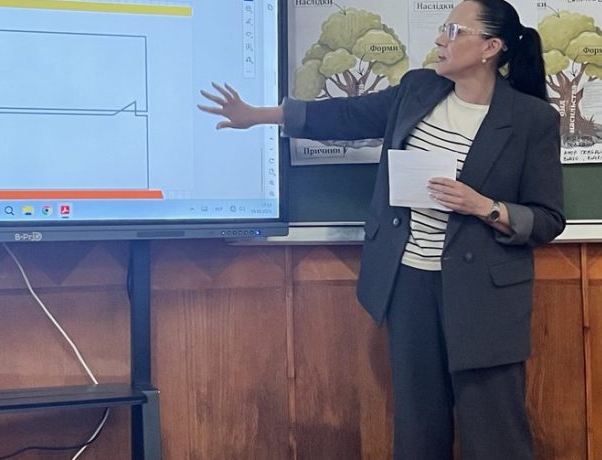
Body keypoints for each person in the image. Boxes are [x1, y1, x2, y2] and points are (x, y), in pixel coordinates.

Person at [199, 0, 564, 458]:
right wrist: (259, 115)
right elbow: (347, 115)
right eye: (443, 28)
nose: (440, 39)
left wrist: (484, 207)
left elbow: (548, 218)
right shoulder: (418, 89)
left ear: (491, 47)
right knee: (417, 429)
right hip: (409, 283)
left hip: (484, 298)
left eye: (454, 31)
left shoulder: (531, 119)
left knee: (495, 436)